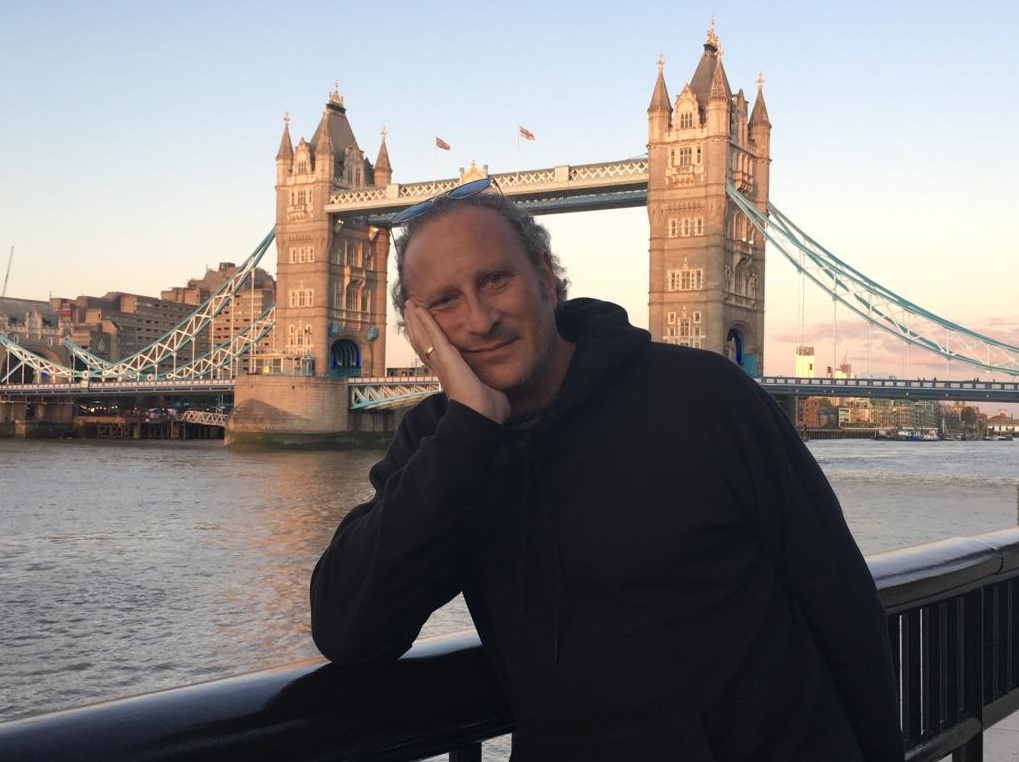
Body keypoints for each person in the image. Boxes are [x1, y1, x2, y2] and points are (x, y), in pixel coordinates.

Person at [310, 180, 904, 761]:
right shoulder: (443, 444)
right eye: (445, 301)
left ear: (544, 276)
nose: (480, 317)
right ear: (420, 327)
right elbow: (348, 629)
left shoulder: (705, 396)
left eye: (495, 279)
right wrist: (469, 431)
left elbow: (840, 603)